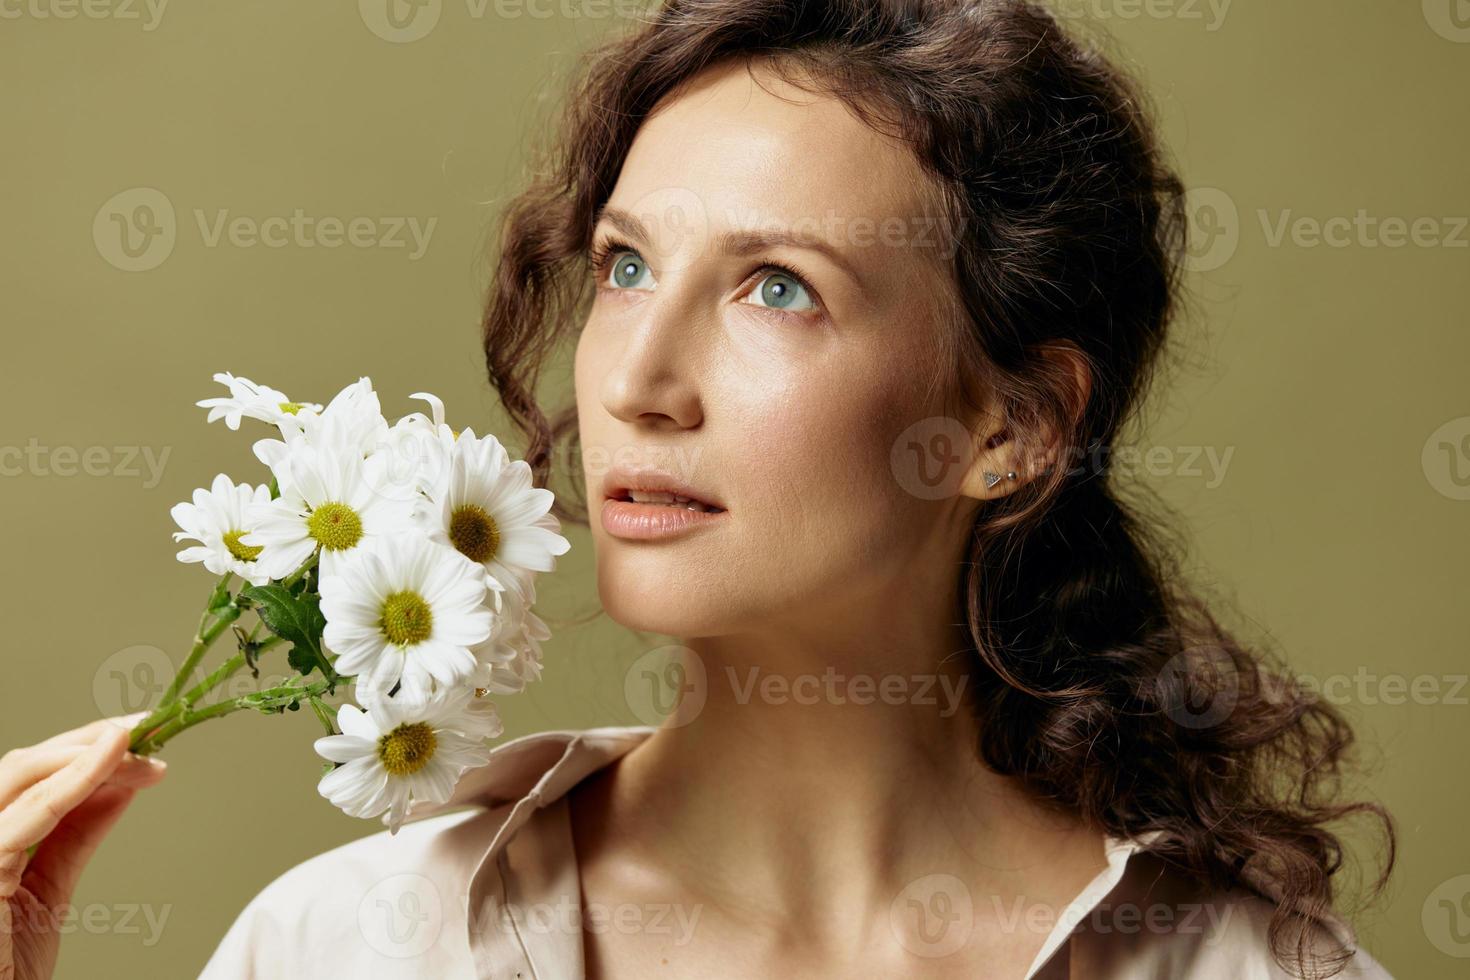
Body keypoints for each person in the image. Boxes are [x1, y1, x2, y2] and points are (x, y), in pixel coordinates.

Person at [2, 1, 1396, 977]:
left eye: (776, 288)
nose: (635, 381)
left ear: (1012, 426)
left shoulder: (1241, 968)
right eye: (623, 267)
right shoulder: (346, 946)